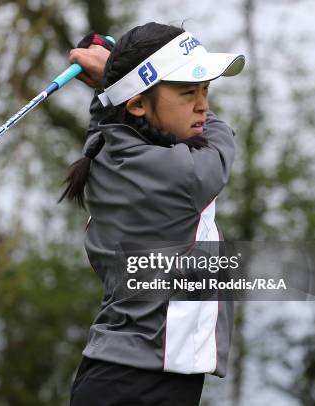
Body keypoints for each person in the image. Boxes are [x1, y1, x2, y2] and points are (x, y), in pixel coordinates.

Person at [59, 22, 246, 405]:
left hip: (121, 376)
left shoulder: (109, 147)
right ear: (138, 103)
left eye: (205, 89)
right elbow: (222, 136)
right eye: (187, 92)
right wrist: (113, 76)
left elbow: (111, 112)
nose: (203, 105)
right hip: (141, 384)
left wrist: (117, 81)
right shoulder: (184, 173)